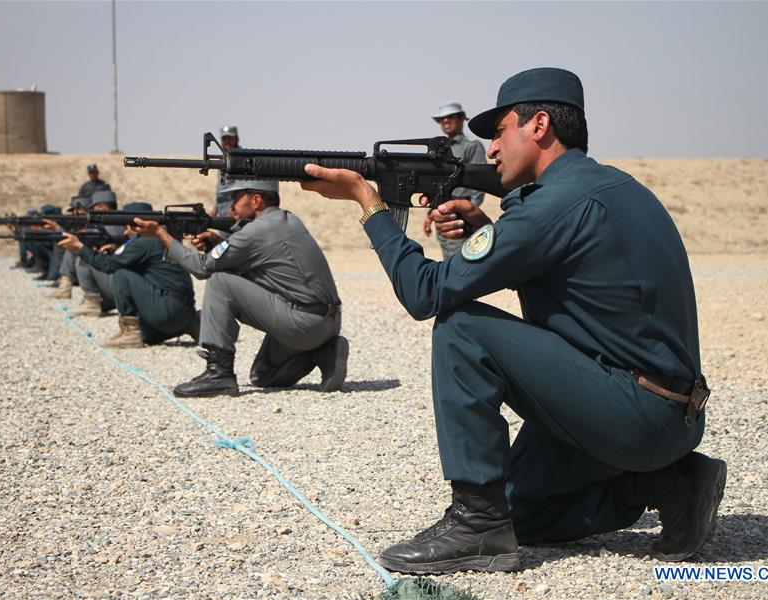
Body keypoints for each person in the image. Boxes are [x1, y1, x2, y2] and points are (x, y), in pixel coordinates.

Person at [300, 67, 726, 574]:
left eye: (500, 131)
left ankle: (474, 525)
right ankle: (668, 483)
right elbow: (571, 271)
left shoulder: (555, 207)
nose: (492, 149)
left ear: (540, 125)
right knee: (521, 513)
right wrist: (487, 231)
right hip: (665, 414)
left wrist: (370, 206)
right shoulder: (612, 187)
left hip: (634, 414)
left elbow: (425, 293)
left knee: (462, 328)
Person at [132, 180, 349, 397]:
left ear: (256, 200)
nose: (231, 207)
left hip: (303, 323)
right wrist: (218, 242)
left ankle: (219, 374)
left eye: (236, 199)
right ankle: (323, 353)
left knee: (220, 281)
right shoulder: (288, 219)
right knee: (263, 376)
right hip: (326, 324)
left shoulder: (255, 231)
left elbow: (202, 268)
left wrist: (162, 235)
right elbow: (257, 263)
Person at [59, 201, 198, 348]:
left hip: (166, 313)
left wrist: (80, 247)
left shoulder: (146, 240)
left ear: (136, 225)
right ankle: (196, 324)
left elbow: (109, 265)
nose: (125, 232)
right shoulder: (163, 237)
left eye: (126, 226)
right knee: (144, 336)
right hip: (185, 315)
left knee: (121, 274)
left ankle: (130, 333)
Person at [425, 102, 488, 258]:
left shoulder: (472, 146)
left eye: (450, 117)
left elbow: (479, 185)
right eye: (442, 119)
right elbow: (437, 184)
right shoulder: (441, 150)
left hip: (460, 216)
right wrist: (430, 214)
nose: (445, 121)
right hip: (443, 214)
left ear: (461, 119)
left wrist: (469, 216)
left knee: (461, 264)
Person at [47, 196, 89, 300]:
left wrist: (57, 228)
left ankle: (65, 286)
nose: (76, 213)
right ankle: (64, 283)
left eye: (79, 210)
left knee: (72, 248)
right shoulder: (76, 225)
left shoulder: (94, 224)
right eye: (74, 210)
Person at [213, 126, 241, 218]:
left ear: (236, 139)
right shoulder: (225, 158)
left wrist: (236, 207)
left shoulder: (241, 158)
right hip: (222, 208)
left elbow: (243, 186)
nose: (227, 141)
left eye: (230, 138)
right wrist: (215, 209)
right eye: (224, 139)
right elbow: (221, 186)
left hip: (234, 209)